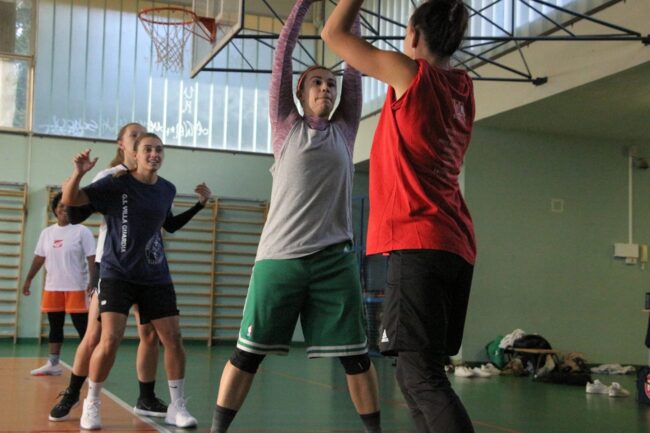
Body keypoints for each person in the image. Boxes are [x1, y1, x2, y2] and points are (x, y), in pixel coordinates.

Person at [209, 1, 381, 433]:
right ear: (301, 95)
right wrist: (304, 4)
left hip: (334, 259)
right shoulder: (286, 125)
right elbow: (283, 55)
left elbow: (356, 61)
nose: (326, 87)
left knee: (356, 358)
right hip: (280, 258)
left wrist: (350, 7)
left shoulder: (345, 130)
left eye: (330, 83)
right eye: (317, 83)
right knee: (247, 354)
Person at [322, 1, 477, 432]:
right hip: (453, 246)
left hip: (420, 242)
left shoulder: (411, 74)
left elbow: (333, 35)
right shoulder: (462, 87)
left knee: (420, 377)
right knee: (415, 376)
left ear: (412, 37)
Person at [49, 123, 212, 422]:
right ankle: (80, 397)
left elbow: (169, 225)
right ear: (126, 147)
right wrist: (78, 173)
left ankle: (150, 399)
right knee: (101, 337)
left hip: (151, 273)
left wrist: (200, 205)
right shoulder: (112, 180)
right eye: (139, 140)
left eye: (156, 146)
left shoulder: (165, 188)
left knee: (158, 336)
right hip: (112, 267)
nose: (150, 149)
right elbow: (70, 208)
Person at [22, 192, 95, 377]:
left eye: (69, 206)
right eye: (61, 205)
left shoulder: (82, 231)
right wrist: (29, 278)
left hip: (77, 287)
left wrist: (94, 281)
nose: (65, 209)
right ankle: (53, 364)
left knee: (84, 329)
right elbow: (39, 257)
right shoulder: (47, 232)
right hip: (53, 287)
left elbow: (92, 258)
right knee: (55, 326)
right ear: (55, 209)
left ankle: (92, 366)